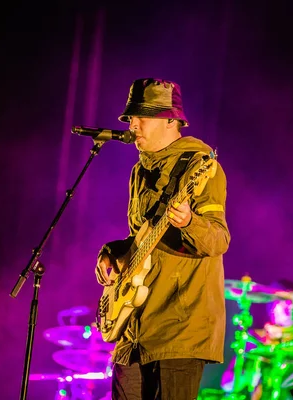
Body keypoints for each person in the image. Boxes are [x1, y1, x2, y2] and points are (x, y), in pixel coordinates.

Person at [95, 78, 231, 400]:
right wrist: (113, 253)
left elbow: (218, 239)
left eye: (144, 116)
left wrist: (189, 221)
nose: (133, 124)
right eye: (131, 117)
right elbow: (140, 239)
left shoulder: (200, 165)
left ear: (172, 120)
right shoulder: (139, 171)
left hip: (178, 328)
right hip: (135, 329)